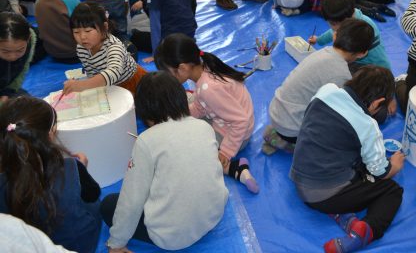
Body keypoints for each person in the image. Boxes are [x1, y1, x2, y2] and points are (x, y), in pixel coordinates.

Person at [101, 71, 228, 250]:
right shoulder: (204, 127)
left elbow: (131, 201)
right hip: (213, 215)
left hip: (173, 236)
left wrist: (116, 243)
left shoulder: (146, 141)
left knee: (108, 205)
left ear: (145, 111)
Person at [290, 66, 404, 253]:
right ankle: (366, 232)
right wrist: (394, 166)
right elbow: (380, 172)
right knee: (392, 190)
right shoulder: (368, 125)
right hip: (322, 195)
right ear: (377, 103)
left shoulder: (326, 91)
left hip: (299, 178)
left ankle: (341, 213)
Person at [154, 33, 259, 194]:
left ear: (182, 68)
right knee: (185, 123)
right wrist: (180, 115)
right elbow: (200, 106)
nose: (169, 79)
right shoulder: (204, 70)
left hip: (235, 134)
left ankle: (234, 168)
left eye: (169, 74)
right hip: (223, 121)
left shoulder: (209, 88)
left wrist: (225, 152)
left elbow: (241, 121)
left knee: (189, 152)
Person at [0, 96, 102, 252]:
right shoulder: (71, 167)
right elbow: (93, 193)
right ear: (49, 135)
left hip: (31, 243)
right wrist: (81, 168)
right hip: (77, 245)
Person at [264, 18, 373, 154]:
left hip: (277, 113)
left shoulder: (322, 53)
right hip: (291, 128)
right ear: (363, 53)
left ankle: (280, 135)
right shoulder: (341, 75)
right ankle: (286, 143)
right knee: (341, 138)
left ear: (334, 35)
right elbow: (340, 113)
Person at [63, 2, 147, 95]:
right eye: (76, 32)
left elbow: (113, 72)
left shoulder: (113, 46)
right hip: (108, 85)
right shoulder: (81, 48)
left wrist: (82, 85)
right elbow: (91, 72)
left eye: (88, 31)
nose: (82, 37)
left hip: (131, 83)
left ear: (105, 27)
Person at [309, 0, 391, 71]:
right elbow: (333, 31)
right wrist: (318, 40)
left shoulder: (360, 29)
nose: (335, 28)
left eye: (334, 24)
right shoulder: (348, 19)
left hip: (373, 67)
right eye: (332, 23)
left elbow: (344, 54)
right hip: (357, 59)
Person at [0, 12, 37, 101]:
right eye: (5, 51)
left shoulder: (29, 40)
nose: (12, 57)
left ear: (28, 39)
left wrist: (8, 92)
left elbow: (22, 70)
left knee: (31, 105)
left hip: (9, 86)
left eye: (20, 50)